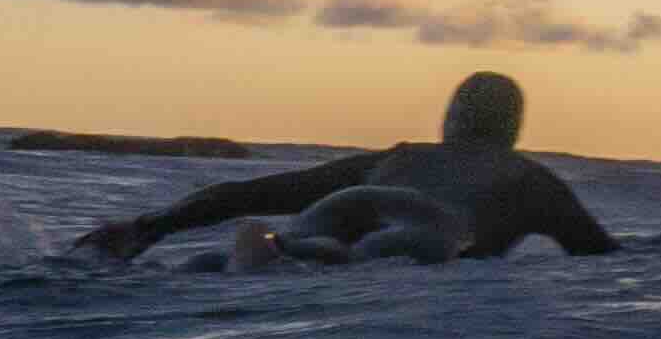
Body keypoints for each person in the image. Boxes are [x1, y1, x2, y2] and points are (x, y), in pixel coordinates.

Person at [73, 71, 620, 267]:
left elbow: (246, 193)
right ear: (515, 129)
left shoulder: (396, 158)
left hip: (341, 215)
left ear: (449, 120)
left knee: (294, 249)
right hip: (426, 240)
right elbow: (602, 262)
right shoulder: (535, 184)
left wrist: (149, 227)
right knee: (374, 256)